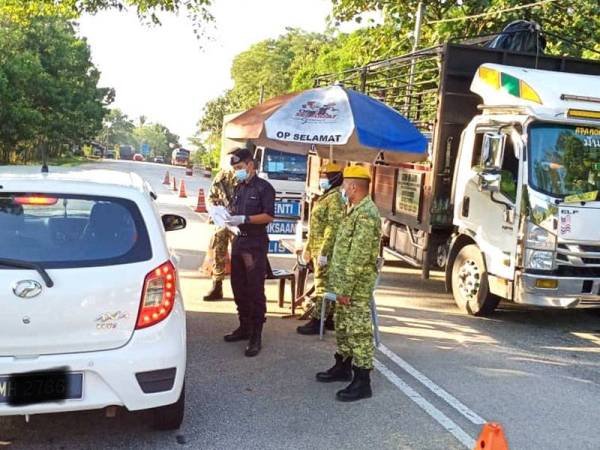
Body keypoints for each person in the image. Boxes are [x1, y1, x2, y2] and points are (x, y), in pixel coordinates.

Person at [315, 165, 382, 402]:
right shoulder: (351, 209)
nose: (342, 189)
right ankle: (342, 366)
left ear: (353, 187)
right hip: (343, 281)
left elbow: (358, 255)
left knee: (358, 331)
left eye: (344, 185)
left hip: (355, 286)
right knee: (343, 325)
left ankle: (363, 380)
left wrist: (345, 289)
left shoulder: (366, 213)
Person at [223, 147, 276, 357]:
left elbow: (269, 216)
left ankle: (256, 334)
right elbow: (234, 210)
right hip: (239, 241)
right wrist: (227, 216)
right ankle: (243, 326)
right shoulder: (239, 187)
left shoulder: (264, 188)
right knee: (238, 287)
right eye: (235, 168)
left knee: (254, 290)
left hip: (255, 244)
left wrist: (246, 219)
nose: (237, 171)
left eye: (239, 167)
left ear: (250, 165)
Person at [297, 163, 345, 335]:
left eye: (325, 176)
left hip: (326, 251)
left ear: (333, 179)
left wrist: (324, 252)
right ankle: (329, 318)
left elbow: (333, 227)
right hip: (317, 248)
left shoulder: (335, 199)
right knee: (325, 283)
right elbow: (315, 226)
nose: (322, 179)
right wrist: (308, 247)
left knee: (322, 285)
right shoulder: (326, 196)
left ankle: (318, 321)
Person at [203, 168, 238, 301]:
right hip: (223, 220)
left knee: (241, 253)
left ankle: (241, 288)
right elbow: (211, 198)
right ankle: (217, 286)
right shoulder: (222, 177)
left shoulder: (248, 177)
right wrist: (217, 211)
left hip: (241, 221)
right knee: (218, 247)